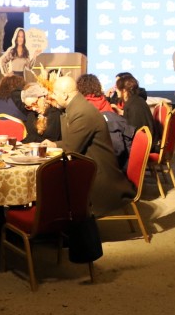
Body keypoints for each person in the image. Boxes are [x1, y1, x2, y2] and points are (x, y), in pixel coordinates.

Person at [53, 74, 135, 216]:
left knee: (50, 181)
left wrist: (48, 149)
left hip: (98, 180)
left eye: (55, 93)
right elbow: (74, 141)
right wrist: (53, 144)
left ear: (65, 95)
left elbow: (71, 149)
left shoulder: (81, 112)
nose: (52, 97)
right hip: (93, 168)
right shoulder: (79, 107)